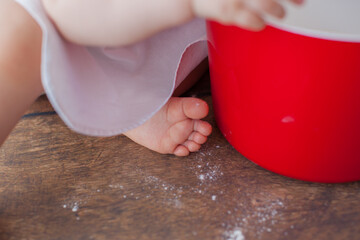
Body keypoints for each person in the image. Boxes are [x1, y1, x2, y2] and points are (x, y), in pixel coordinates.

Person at [0, 0, 303, 156]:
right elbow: (71, 12)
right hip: (61, 21)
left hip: (154, 35)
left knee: (197, 54)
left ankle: (132, 103)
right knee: (18, 38)